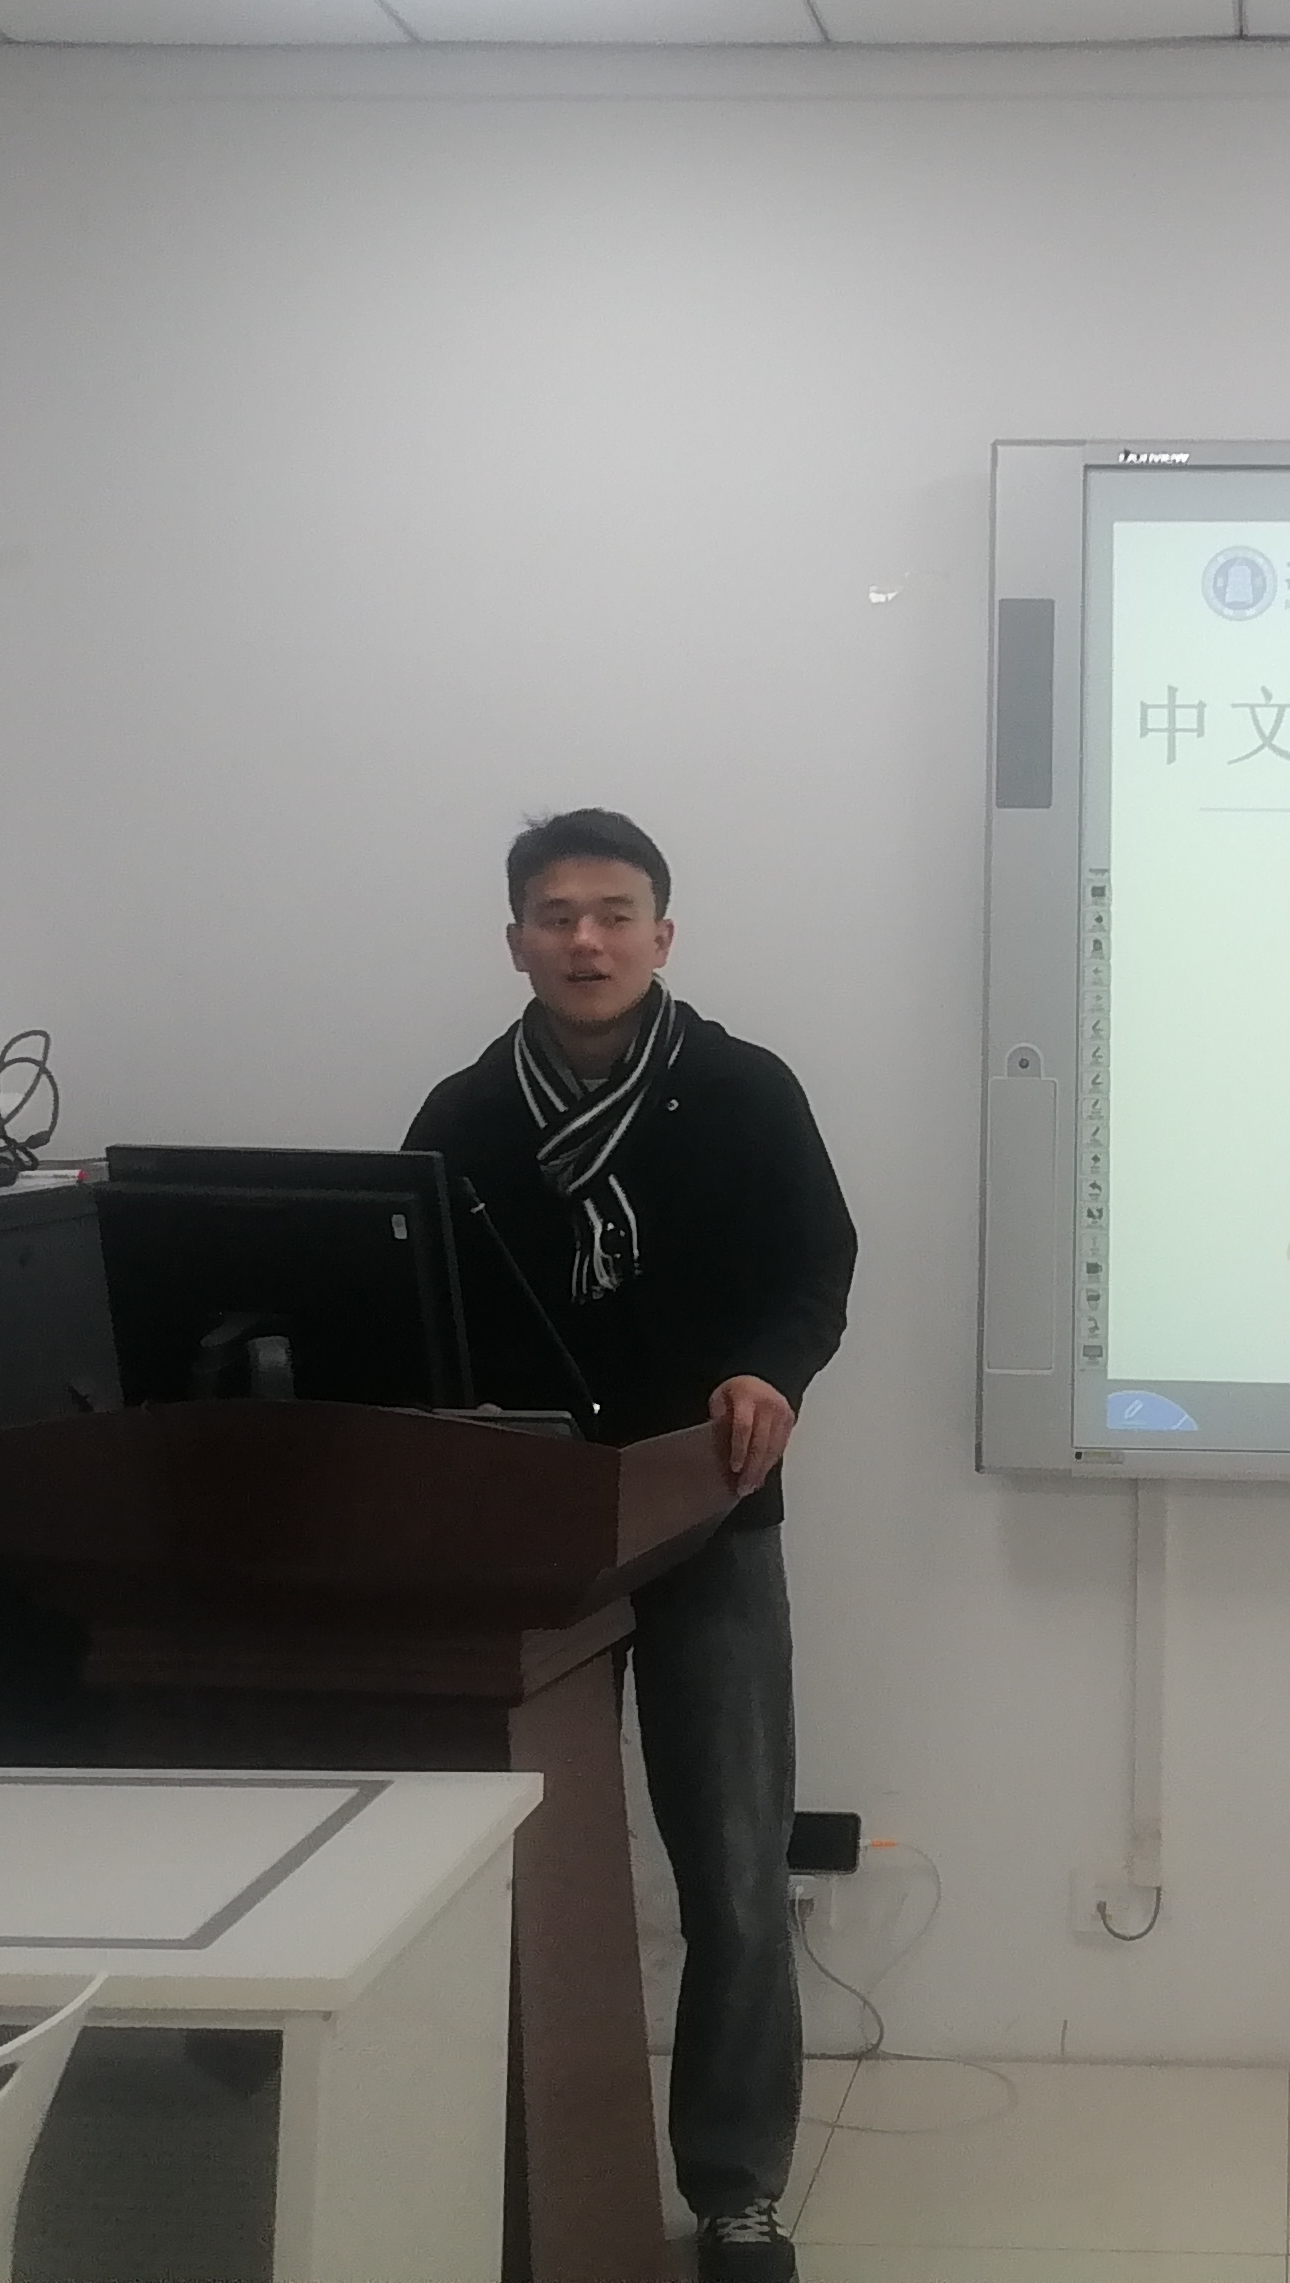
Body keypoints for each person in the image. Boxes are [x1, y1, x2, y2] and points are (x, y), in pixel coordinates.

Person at [404, 809, 855, 2283]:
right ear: (515, 941)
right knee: (523, 1870)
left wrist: (772, 1373)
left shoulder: (741, 1091)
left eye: (613, 915)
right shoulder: (466, 1116)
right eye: (556, 916)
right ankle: (516, 2161)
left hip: (704, 1510)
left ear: (664, 935)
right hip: (528, 1535)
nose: (585, 941)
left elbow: (817, 1267)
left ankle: (736, 2192)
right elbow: (412, 1304)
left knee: (733, 1866)